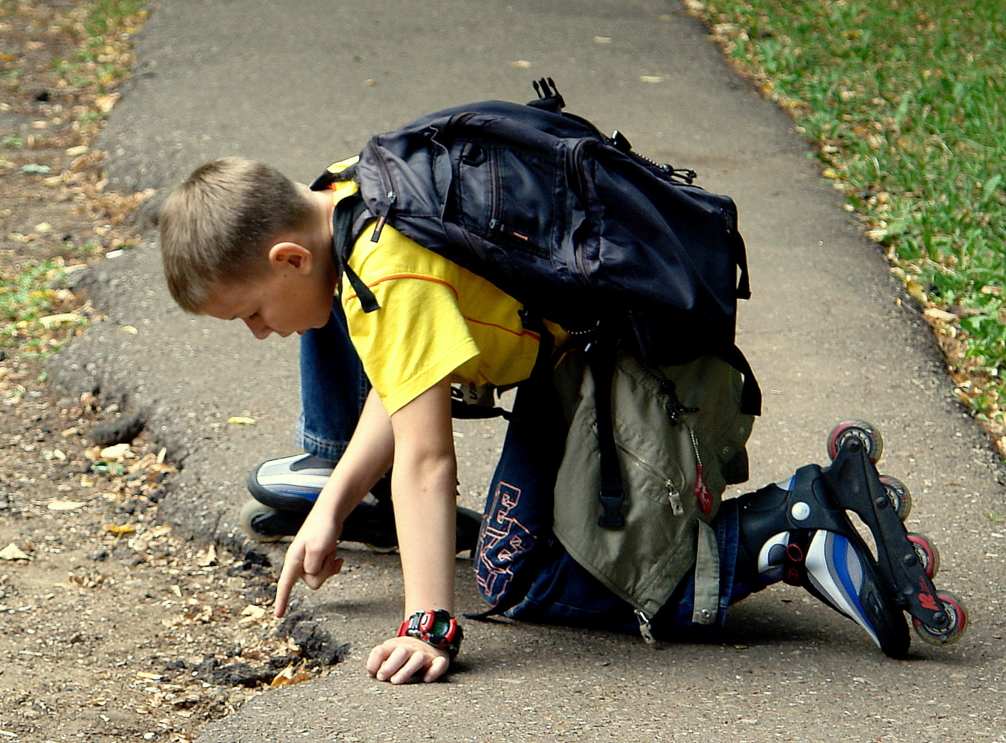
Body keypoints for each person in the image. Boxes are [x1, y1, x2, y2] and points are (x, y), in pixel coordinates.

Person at [158, 155, 962, 684]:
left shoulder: (385, 269)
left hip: (621, 371)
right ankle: (793, 522)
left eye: (253, 314)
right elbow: (400, 388)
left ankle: (788, 530)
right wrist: (332, 507)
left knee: (530, 579)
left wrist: (429, 621)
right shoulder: (349, 189)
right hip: (579, 358)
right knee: (515, 560)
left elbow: (428, 461)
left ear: (289, 260)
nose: (261, 333)